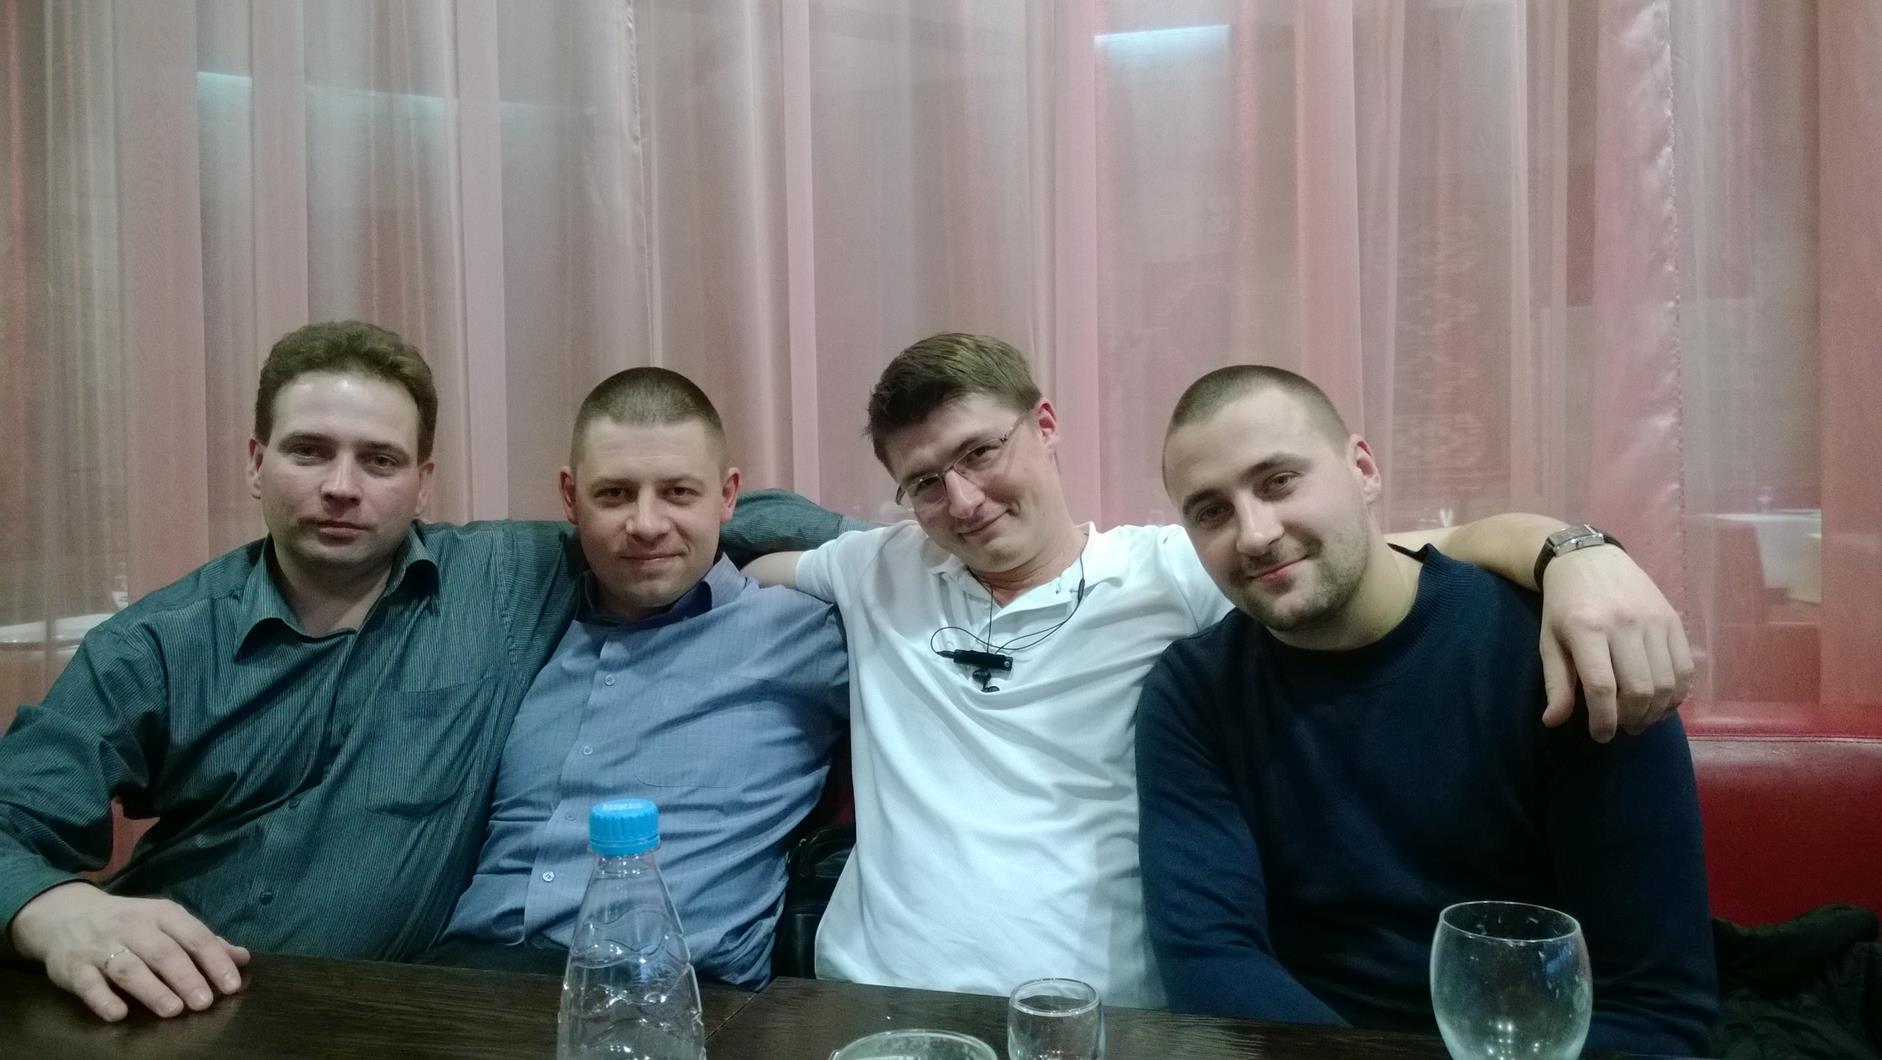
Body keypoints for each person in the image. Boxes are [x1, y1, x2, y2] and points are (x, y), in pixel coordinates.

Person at [740, 333, 1693, 1007]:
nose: (963, 500)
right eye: (924, 483)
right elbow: (744, 551)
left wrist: (1575, 552)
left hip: (1098, 1019)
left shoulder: (1185, 566)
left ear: (1046, 425)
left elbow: (1386, 553)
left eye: (982, 452)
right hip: (866, 1008)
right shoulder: (875, 566)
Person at [0, 321, 590, 1022]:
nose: (341, 487)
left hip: (388, 1020)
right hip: (173, 1014)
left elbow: (671, 527)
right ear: (256, 463)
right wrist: (51, 907)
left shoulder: (505, 584)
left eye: (380, 461)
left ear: (423, 484)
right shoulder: (153, 645)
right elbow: (12, 817)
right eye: (309, 452)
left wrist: (738, 545)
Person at [1137, 365, 1715, 1054]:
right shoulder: (1194, 692)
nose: (1255, 534)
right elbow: (1211, 960)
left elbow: (1655, 1005)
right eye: (1211, 512)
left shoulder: (1557, 647)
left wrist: (1575, 549)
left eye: (1279, 482)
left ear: (1363, 469)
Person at [437, 368, 847, 987]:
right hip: (467, 979)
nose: (647, 524)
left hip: (678, 994)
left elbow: (934, 570)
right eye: (615, 494)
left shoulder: (806, 633)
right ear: (570, 498)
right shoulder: (520, 623)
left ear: (728, 496)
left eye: (679, 493)